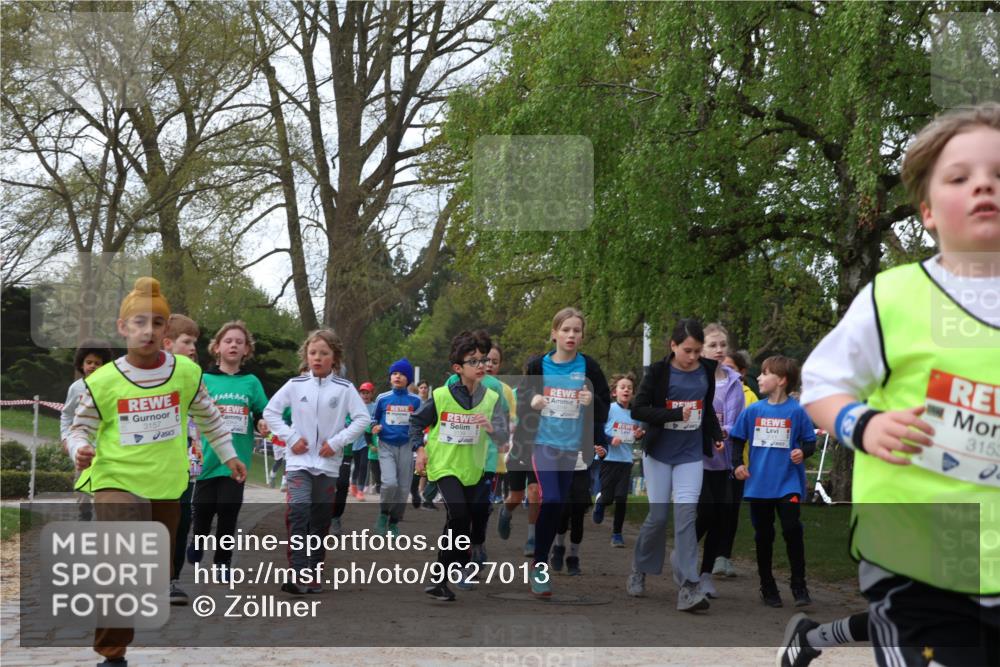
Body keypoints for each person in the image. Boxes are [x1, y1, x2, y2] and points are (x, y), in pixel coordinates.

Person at [793, 103, 1000, 667]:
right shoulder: (895, 297)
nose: (984, 185)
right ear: (928, 211)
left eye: (999, 174)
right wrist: (863, 423)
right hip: (916, 556)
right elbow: (820, 382)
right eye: (961, 177)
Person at [67, 277, 247, 666]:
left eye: (157, 323)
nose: (147, 330)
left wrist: (229, 454)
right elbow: (79, 427)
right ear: (123, 328)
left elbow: (209, 416)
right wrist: (80, 448)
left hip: (166, 484)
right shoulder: (102, 381)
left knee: (153, 569)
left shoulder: (185, 373)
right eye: (139, 322)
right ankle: (112, 655)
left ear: (167, 331)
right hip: (115, 479)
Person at [626, 318, 724, 613]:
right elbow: (638, 408)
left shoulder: (707, 370)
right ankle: (639, 568)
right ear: (673, 346)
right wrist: (673, 415)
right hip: (658, 453)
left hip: (690, 454)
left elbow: (706, 410)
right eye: (688, 351)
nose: (693, 357)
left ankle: (688, 587)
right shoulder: (657, 372)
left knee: (686, 518)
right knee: (657, 518)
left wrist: (716, 435)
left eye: (697, 351)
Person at [263, 329, 370, 594]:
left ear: (334, 358)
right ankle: (297, 572)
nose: (317, 358)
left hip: (328, 464)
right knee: (298, 511)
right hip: (298, 462)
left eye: (324, 353)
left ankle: (313, 569)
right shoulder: (295, 385)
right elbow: (271, 412)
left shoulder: (345, 389)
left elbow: (362, 419)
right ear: (306, 356)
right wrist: (291, 437)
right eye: (313, 353)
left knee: (320, 519)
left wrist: (336, 442)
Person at [514, 307, 610, 597]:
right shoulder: (537, 366)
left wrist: (591, 400)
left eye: (576, 331)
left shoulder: (589, 368)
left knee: (560, 505)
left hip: (573, 447)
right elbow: (520, 400)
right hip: (543, 442)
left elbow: (605, 406)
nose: (571, 335)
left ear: (582, 336)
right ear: (554, 333)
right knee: (552, 498)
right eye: (565, 330)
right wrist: (532, 400)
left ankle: (541, 560)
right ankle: (540, 567)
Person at [411, 331, 508, 601]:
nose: (481, 366)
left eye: (484, 360)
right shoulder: (441, 395)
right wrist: (419, 449)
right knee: (459, 515)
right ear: (458, 368)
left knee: (466, 521)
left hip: (475, 469)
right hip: (444, 466)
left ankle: (443, 577)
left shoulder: (491, 398)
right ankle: (441, 576)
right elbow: (417, 423)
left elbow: (503, 438)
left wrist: (492, 429)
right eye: (474, 361)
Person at [730, 356, 816, 607]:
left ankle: (799, 585)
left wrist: (803, 452)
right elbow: (737, 440)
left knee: (792, 529)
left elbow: (809, 442)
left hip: (788, 482)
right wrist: (737, 465)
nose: (759, 377)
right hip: (759, 484)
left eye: (765, 373)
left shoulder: (797, 411)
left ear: (781, 380)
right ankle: (767, 585)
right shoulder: (754, 410)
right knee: (764, 535)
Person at [187, 321, 269, 582]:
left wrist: (262, 422)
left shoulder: (251, 382)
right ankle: (197, 542)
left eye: (239, 342)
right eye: (228, 341)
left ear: (246, 350)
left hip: (238, 459)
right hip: (207, 457)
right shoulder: (205, 379)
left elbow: (260, 411)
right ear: (217, 347)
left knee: (228, 510)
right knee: (202, 509)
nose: (234, 345)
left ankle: (223, 562)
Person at [695, 323, 746, 598]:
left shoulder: (735, 381)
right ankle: (686, 553)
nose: (718, 350)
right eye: (712, 345)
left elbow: (740, 419)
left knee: (721, 516)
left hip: (725, 460)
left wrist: (731, 436)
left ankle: (705, 575)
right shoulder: (695, 379)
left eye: (722, 345)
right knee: (706, 512)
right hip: (699, 457)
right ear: (702, 349)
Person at [161, 314, 203, 606]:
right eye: (186, 342)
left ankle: (172, 579)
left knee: (182, 519)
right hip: (151, 465)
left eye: (194, 343)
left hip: (185, 466)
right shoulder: (150, 377)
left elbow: (206, 416)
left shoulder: (193, 376)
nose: (192, 348)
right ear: (167, 344)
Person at [715, 349, 758, 577]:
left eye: (730, 367)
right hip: (711, 461)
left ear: (742, 372)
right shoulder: (711, 388)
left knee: (731, 510)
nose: (725, 370)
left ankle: (724, 556)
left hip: (738, 463)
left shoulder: (750, 396)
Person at [60, 338, 113, 523]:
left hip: (106, 447)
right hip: (83, 446)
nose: (92, 366)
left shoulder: (111, 387)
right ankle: (84, 512)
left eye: (97, 363)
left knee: (104, 486)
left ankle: (104, 517)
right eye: (89, 362)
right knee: (82, 482)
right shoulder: (76, 388)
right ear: (81, 364)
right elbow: (66, 415)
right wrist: (65, 438)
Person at [371, 358, 422, 535]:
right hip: (386, 445)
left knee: (403, 488)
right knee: (389, 483)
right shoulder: (382, 398)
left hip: (407, 446)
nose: (397, 376)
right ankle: (383, 514)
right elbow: (373, 419)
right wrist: (374, 427)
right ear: (390, 377)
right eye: (394, 373)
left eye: (401, 374)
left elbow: (421, 422)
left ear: (408, 379)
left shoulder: (415, 401)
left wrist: (421, 442)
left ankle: (394, 521)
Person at [593, 373, 645, 548]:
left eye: (629, 388)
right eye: (622, 387)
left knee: (621, 497)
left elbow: (635, 435)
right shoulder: (609, 409)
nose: (626, 390)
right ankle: (601, 502)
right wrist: (609, 440)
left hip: (625, 460)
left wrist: (638, 435)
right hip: (608, 458)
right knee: (608, 497)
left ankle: (617, 534)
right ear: (615, 392)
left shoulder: (635, 413)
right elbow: (598, 431)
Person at [349, 381, 376, 500]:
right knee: (357, 465)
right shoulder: (356, 406)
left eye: (367, 393)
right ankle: (353, 485)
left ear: (372, 394)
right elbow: (349, 420)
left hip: (368, 441)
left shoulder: (375, 406)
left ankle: (360, 490)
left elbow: (377, 420)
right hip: (356, 440)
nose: (365, 395)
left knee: (364, 465)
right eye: (363, 393)